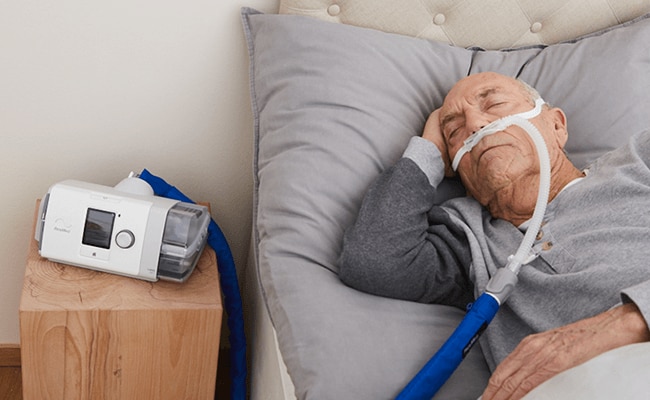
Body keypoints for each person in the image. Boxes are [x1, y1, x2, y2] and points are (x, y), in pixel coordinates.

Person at [339, 71, 650, 400]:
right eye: (454, 131)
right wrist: (428, 152)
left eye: (495, 104)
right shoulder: (469, 239)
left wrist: (626, 323)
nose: (474, 124)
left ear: (556, 125)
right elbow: (373, 260)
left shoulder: (638, 163)